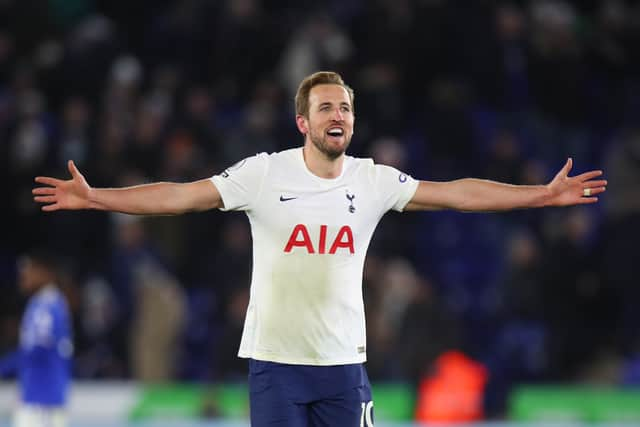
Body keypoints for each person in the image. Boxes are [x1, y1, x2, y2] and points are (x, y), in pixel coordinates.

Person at [32, 71, 606, 427]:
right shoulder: (262, 174)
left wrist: (541, 196)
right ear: (303, 120)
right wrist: (99, 199)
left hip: (343, 370)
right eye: (328, 107)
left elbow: (457, 194)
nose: (339, 116)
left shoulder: (372, 178)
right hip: (276, 368)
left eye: (347, 108)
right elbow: (182, 196)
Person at [0, 249, 73, 427]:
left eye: (28, 269)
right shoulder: (40, 302)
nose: (23, 275)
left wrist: (3, 367)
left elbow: (37, 351)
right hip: (36, 395)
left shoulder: (48, 305)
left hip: (43, 400)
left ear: (44, 272)